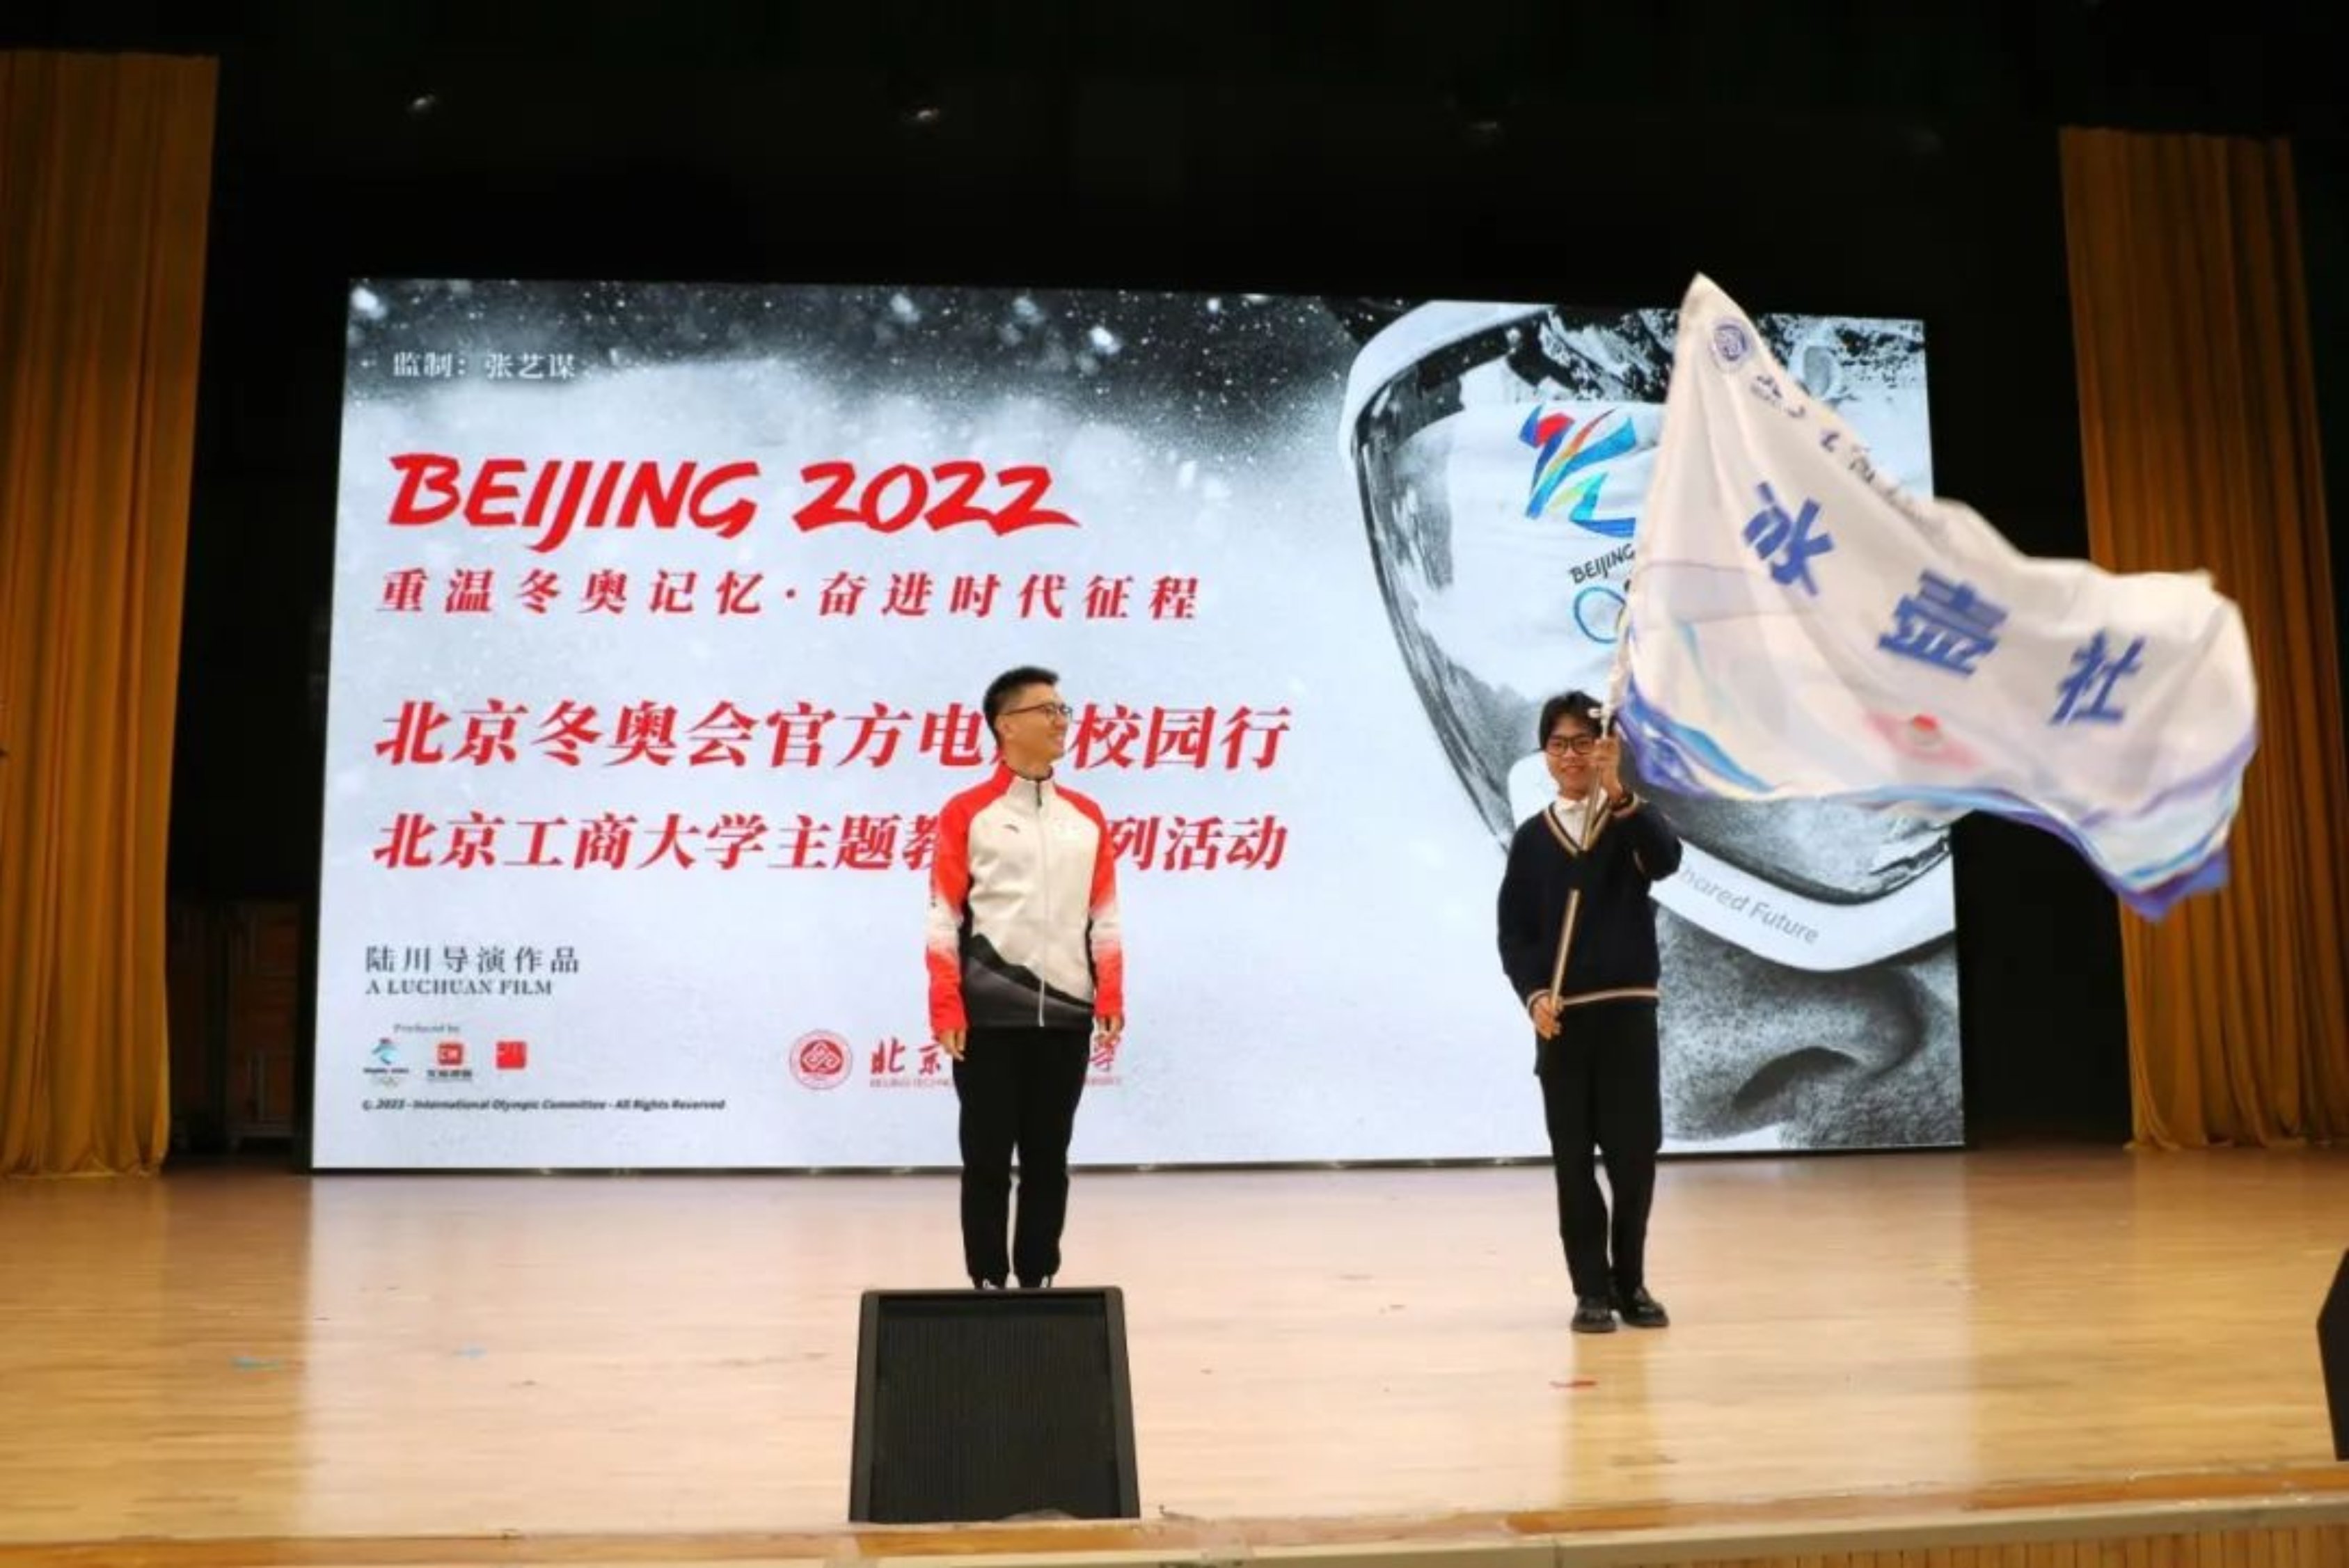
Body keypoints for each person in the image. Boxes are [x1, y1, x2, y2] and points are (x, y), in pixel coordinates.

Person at [926, 665, 1125, 1290]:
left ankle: (1037, 1279)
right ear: (1005, 725)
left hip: (1066, 1014)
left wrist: (1110, 991)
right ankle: (987, 1280)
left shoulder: (1085, 817)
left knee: (1048, 1158)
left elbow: (1104, 916)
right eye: (1048, 710)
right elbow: (943, 916)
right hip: (987, 1017)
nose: (1061, 721)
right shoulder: (968, 812)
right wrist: (946, 1004)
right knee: (986, 1158)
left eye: (1064, 709)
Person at [1496, 690, 1683, 1333]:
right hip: (1566, 1021)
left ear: (1605, 748)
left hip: (1627, 1015)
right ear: (1545, 754)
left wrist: (1620, 792)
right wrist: (1534, 995)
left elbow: (1665, 860)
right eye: (1559, 744)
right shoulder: (1532, 839)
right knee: (1572, 1162)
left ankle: (1630, 1282)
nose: (1570, 755)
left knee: (1634, 1158)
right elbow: (1515, 935)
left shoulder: (1631, 820)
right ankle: (1590, 1290)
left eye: (1583, 742)